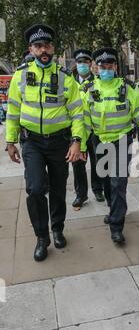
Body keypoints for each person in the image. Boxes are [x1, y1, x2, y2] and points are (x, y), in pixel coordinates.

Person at [6, 24, 85, 262]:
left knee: (59, 189)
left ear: (53, 48)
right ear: (30, 49)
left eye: (47, 45)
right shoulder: (20, 75)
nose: (43, 50)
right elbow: (13, 110)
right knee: (36, 189)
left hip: (60, 142)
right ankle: (42, 236)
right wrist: (10, 141)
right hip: (32, 143)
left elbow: (77, 114)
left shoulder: (64, 78)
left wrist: (77, 141)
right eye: (38, 46)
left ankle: (58, 228)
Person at [83, 47, 139, 243]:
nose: (106, 69)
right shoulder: (89, 90)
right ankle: (114, 211)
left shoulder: (127, 88)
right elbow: (85, 119)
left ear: (115, 67)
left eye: (110, 66)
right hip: (99, 141)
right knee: (106, 181)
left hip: (122, 140)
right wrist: (79, 144)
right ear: (96, 68)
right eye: (102, 66)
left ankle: (116, 226)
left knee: (118, 183)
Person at [71, 49, 105, 209]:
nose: (82, 65)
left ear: (91, 64)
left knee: (97, 160)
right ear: (75, 64)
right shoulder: (69, 81)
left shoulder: (98, 82)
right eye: (79, 62)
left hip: (93, 129)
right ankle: (81, 194)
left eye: (85, 62)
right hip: (75, 130)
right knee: (77, 163)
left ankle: (98, 189)